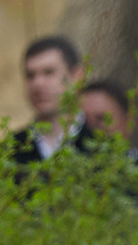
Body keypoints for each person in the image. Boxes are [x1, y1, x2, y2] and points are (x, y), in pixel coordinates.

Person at [10, 35, 86, 167]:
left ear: (77, 77)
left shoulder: (107, 152)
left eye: (48, 72)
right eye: (30, 75)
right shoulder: (9, 152)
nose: (38, 84)